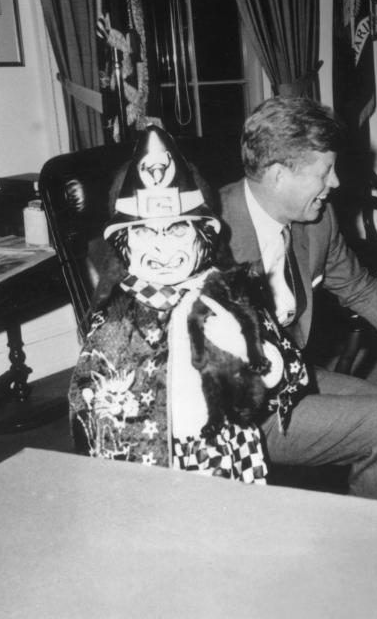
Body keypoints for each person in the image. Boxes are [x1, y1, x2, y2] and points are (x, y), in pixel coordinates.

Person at [219, 96, 377, 507]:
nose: (336, 184)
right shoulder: (207, 229)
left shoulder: (318, 219)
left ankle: (370, 525)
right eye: (324, 172)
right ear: (277, 175)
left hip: (293, 378)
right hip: (237, 408)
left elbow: (358, 285)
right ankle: (374, 552)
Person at [69, 125, 308, 484]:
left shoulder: (227, 295)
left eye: (178, 230)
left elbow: (293, 375)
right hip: (145, 465)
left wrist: (248, 349)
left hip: (225, 451)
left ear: (205, 236)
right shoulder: (116, 318)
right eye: (146, 232)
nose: (163, 249)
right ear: (123, 244)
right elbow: (87, 404)